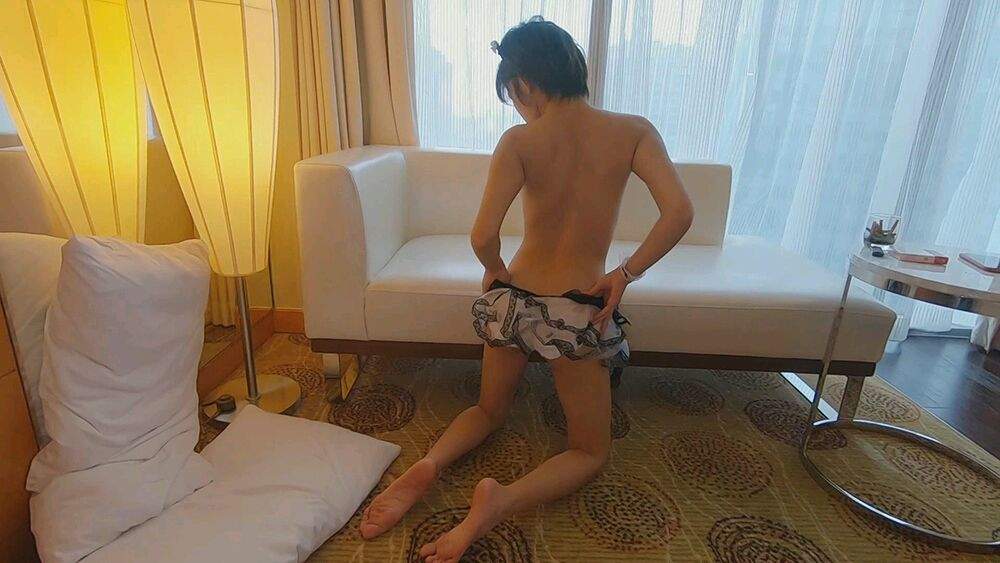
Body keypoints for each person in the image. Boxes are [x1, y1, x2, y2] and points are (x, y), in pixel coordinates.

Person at [359, 16, 693, 562]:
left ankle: (429, 464)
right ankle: (501, 502)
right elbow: (679, 213)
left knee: (488, 410)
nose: (516, 108)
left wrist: (496, 272)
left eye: (512, 96)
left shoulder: (520, 140)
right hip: (577, 311)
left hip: (515, 304)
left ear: (524, 84)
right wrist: (623, 274)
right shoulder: (634, 132)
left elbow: (482, 235)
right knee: (589, 451)